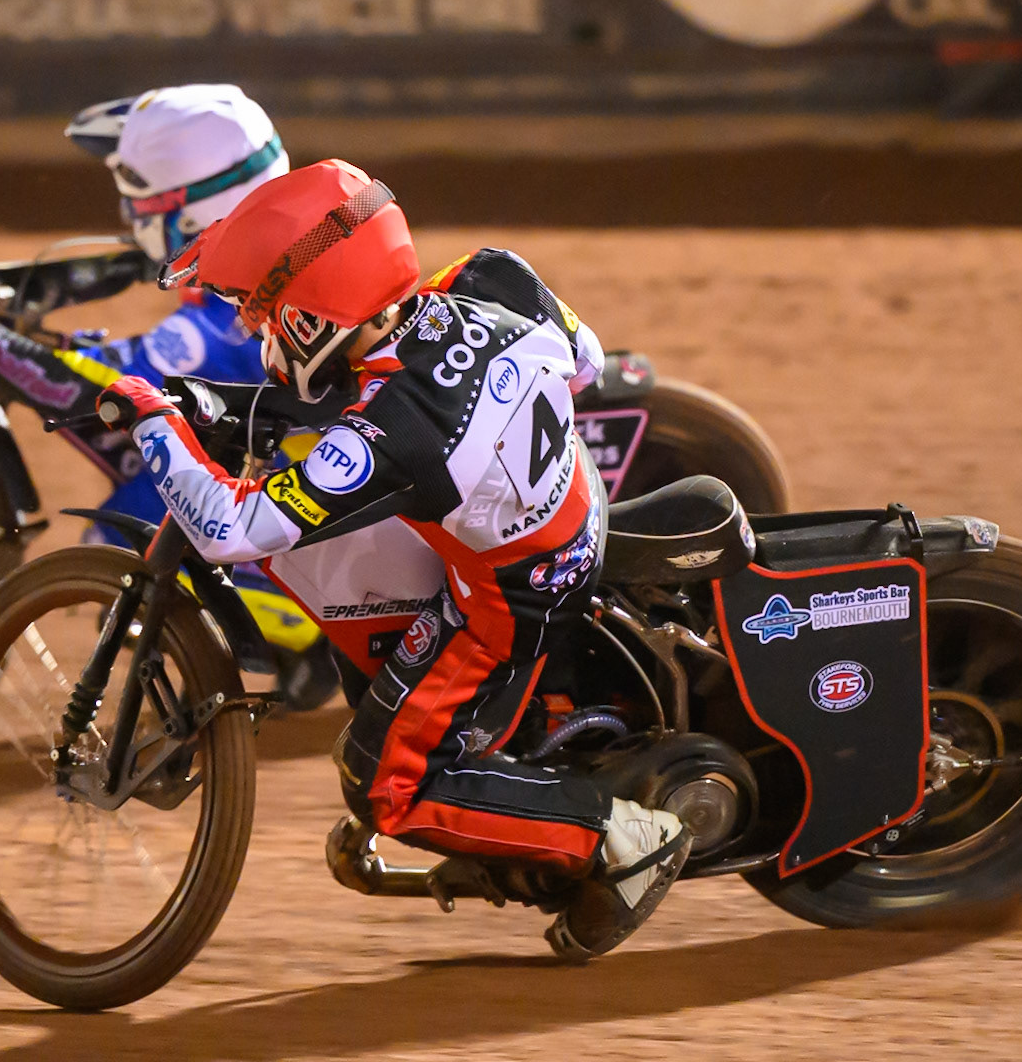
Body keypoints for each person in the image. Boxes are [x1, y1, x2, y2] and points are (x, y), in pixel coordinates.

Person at [98, 159, 694, 959]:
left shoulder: (403, 431)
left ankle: (621, 842)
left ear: (314, 315)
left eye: (263, 312)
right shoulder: (486, 277)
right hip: (562, 499)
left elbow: (232, 529)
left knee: (384, 785)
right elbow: (582, 359)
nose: (252, 330)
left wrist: (150, 418)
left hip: (508, 599)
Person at [59, 83, 288, 536]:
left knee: (115, 531)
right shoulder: (279, 251)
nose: (134, 215)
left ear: (192, 214)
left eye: (146, 203)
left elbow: (95, 383)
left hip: (292, 535)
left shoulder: (231, 320)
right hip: (328, 497)